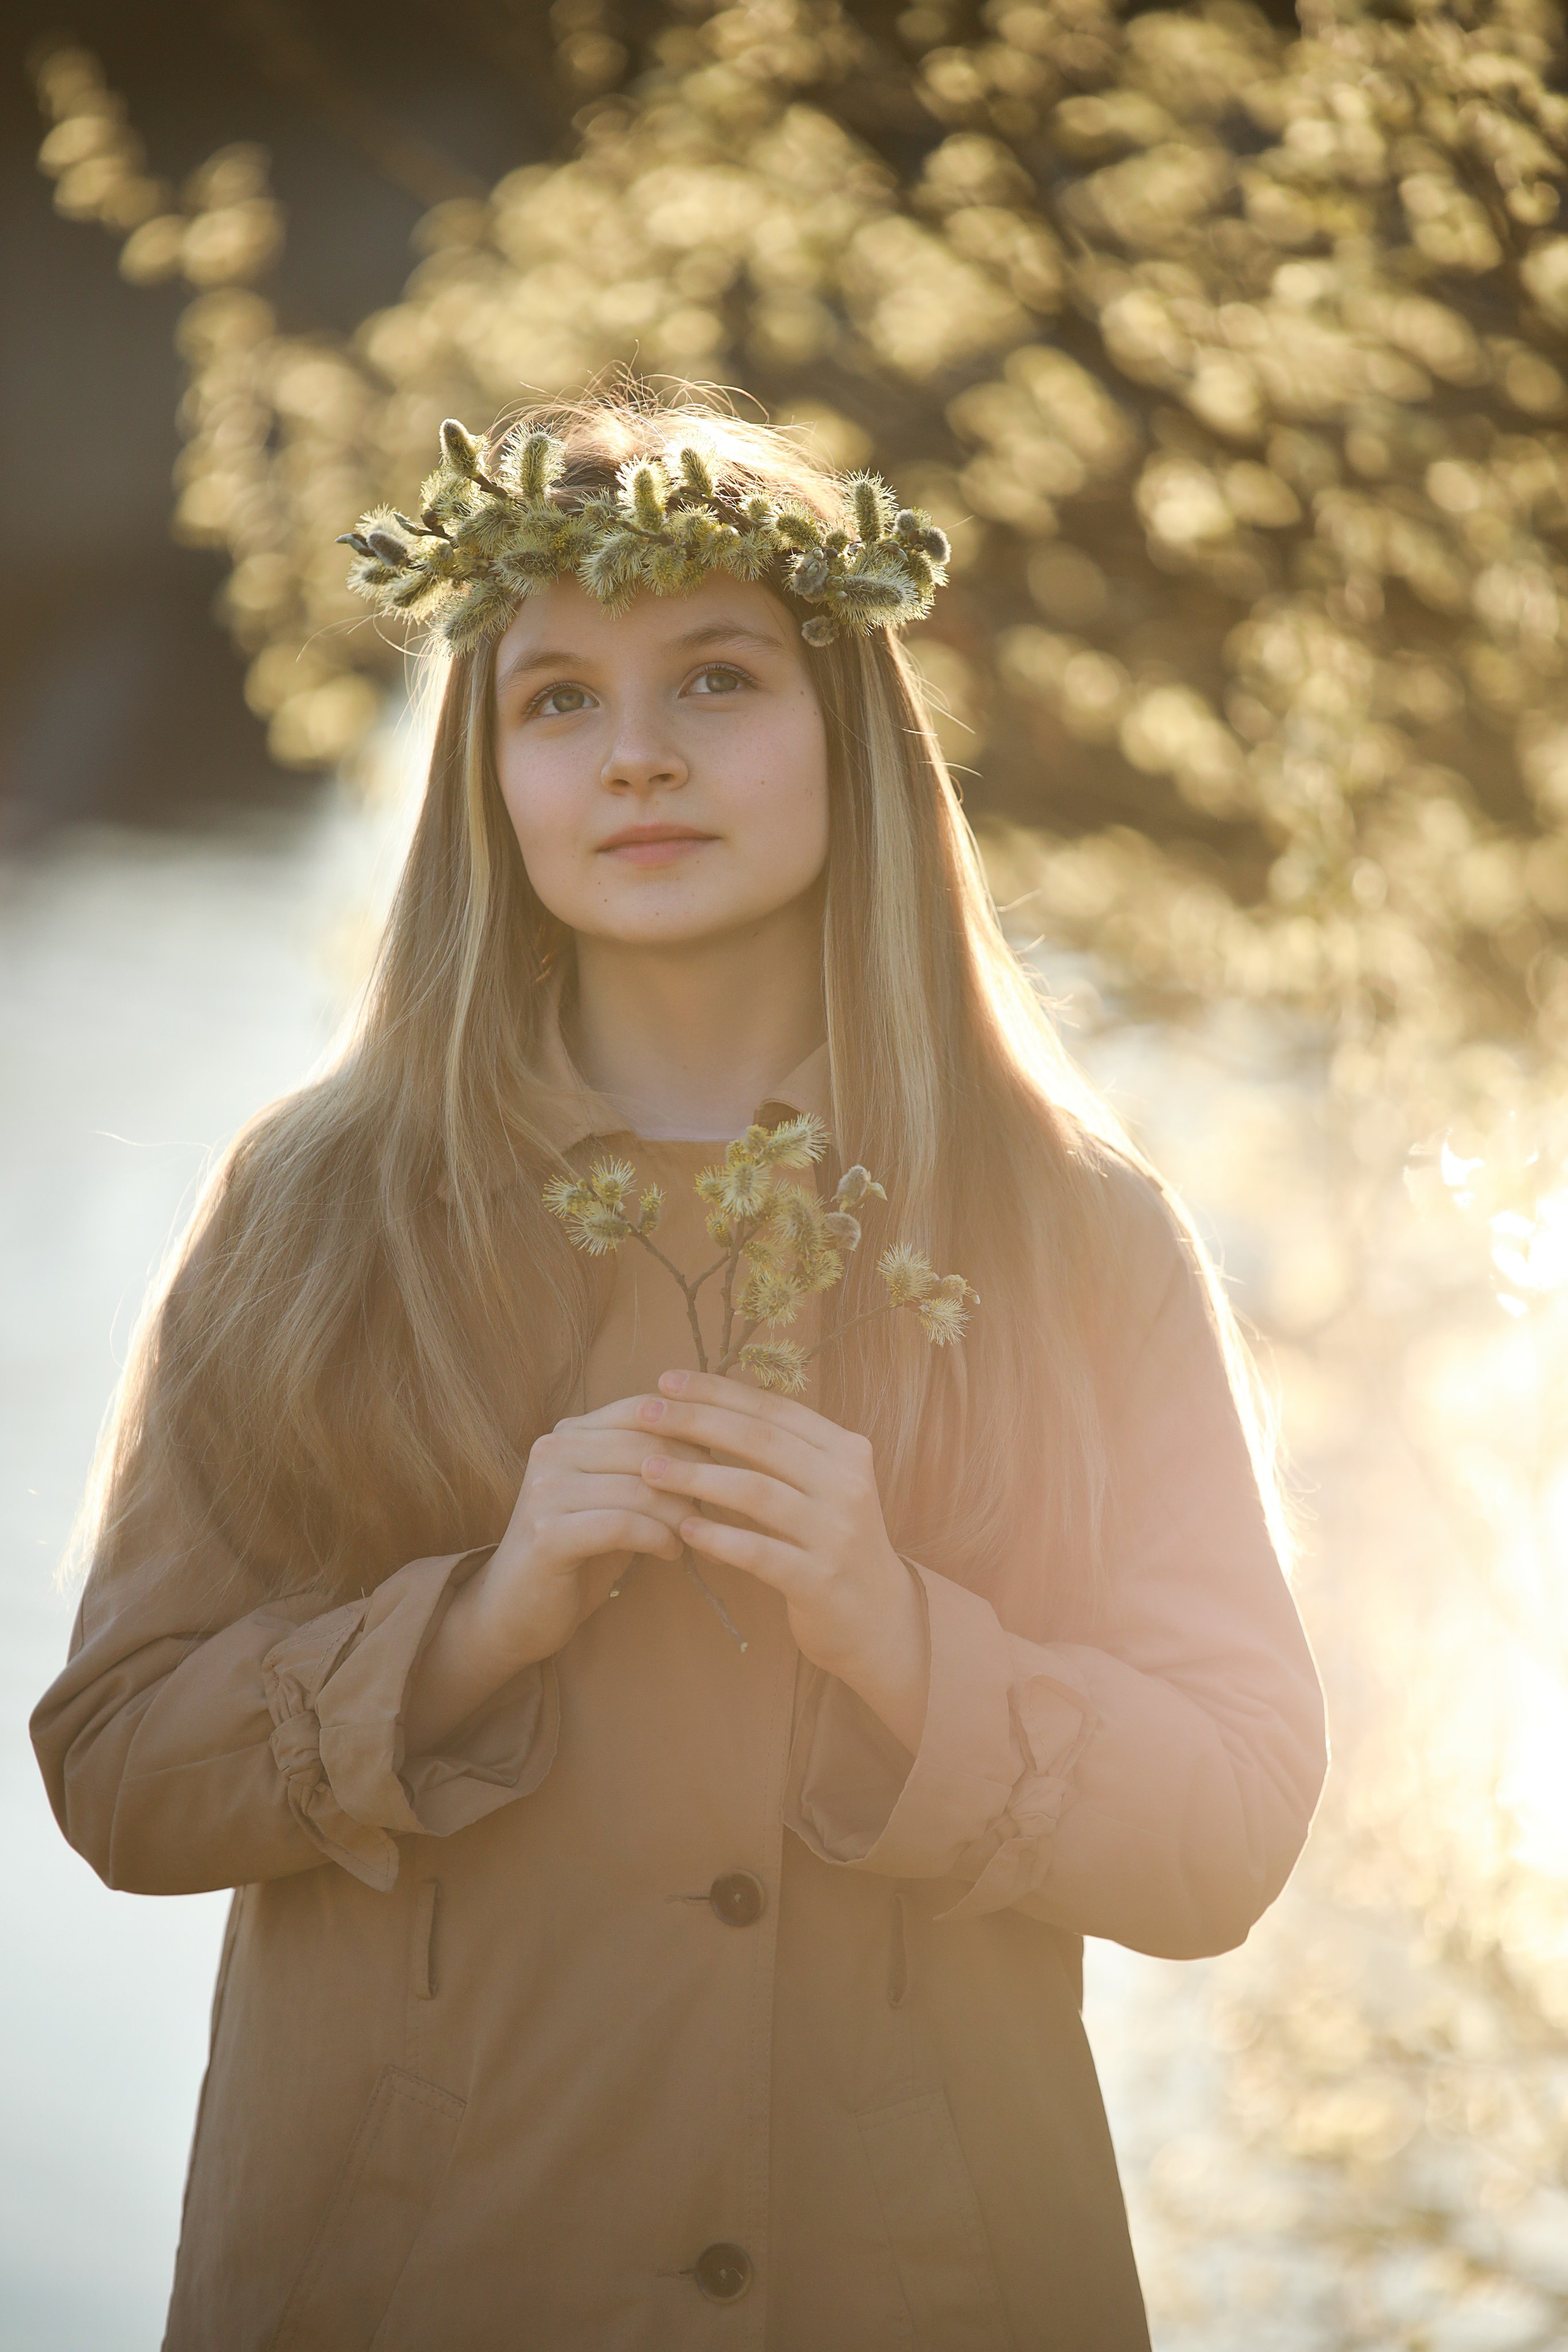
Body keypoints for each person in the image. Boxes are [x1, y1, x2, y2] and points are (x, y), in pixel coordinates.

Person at [32, 387, 1326, 2352]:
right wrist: (471, 1627)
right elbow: (122, 1770)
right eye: (558, 700)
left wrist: (899, 1634)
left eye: (716, 678)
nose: (636, 755)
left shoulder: (1073, 1230)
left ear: (849, 731)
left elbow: (1227, 1827)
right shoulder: (321, 1212)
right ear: (486, 773)